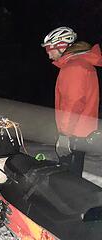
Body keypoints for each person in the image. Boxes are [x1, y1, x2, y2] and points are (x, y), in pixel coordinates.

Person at [42, 26, 102, 177]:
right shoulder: (82, 64)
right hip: (80, 132)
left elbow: (72, 104)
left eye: (50, 49)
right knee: (72, 176)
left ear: (61, 46)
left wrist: (64, 135)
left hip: (73, 134)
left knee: (67, 180)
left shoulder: (74, 67)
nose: (48, 55)